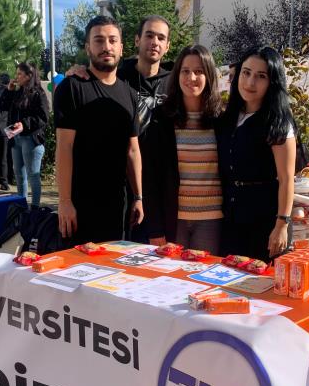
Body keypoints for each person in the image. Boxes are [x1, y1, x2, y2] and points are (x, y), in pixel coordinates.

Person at [68, 15, 171, 241]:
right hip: (120, 185)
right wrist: (76, 70)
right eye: (149, 35)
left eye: (161, 37)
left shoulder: (175, 82)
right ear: (136, 40)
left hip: (162, 183)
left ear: (167, 45)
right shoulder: (117, 75)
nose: (154, 42)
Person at [54, 15, 143, 244]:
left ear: (121, 47)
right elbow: (64, 147)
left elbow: (133, 150)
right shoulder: (72, 88)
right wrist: (64, 201)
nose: (107, 47)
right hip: (80, 207)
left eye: (113, 40)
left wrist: (138, 197)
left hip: (118, 207)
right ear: (88, 47)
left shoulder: (130, 95)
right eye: (99, 40)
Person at [216, 47, 297, 261]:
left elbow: (287, 179)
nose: (250, 82)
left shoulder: (278, 122)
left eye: (261, 76)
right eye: (246, 73)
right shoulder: (228, 118)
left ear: (273, 82)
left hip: (265, 220)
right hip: (231, 217)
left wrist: (282, 224)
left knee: (259, 278)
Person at [145, 45, 224, 254]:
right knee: (171, 274)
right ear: (177, 75)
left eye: (199, 71)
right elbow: (150, 176)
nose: (192, 77)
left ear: (209, 75)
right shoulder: (161, 118)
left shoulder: (221, 119)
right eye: (185, 71)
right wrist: (155, 228)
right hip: (173, 219)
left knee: (204, 274)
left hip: (211, 220)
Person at [7, 63, 49, 208]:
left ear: (29, 76)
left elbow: (44, 117)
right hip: (16, 138)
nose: (16, 77)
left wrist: (24, 124)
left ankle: (35, 209)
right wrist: (9, 92)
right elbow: (4, 108)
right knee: (19, 175)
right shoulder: (18, 92)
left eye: (20, 74)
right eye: (17, 73)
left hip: (31, 139)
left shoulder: (38, 93)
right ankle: (22, 207)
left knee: (33, 175)